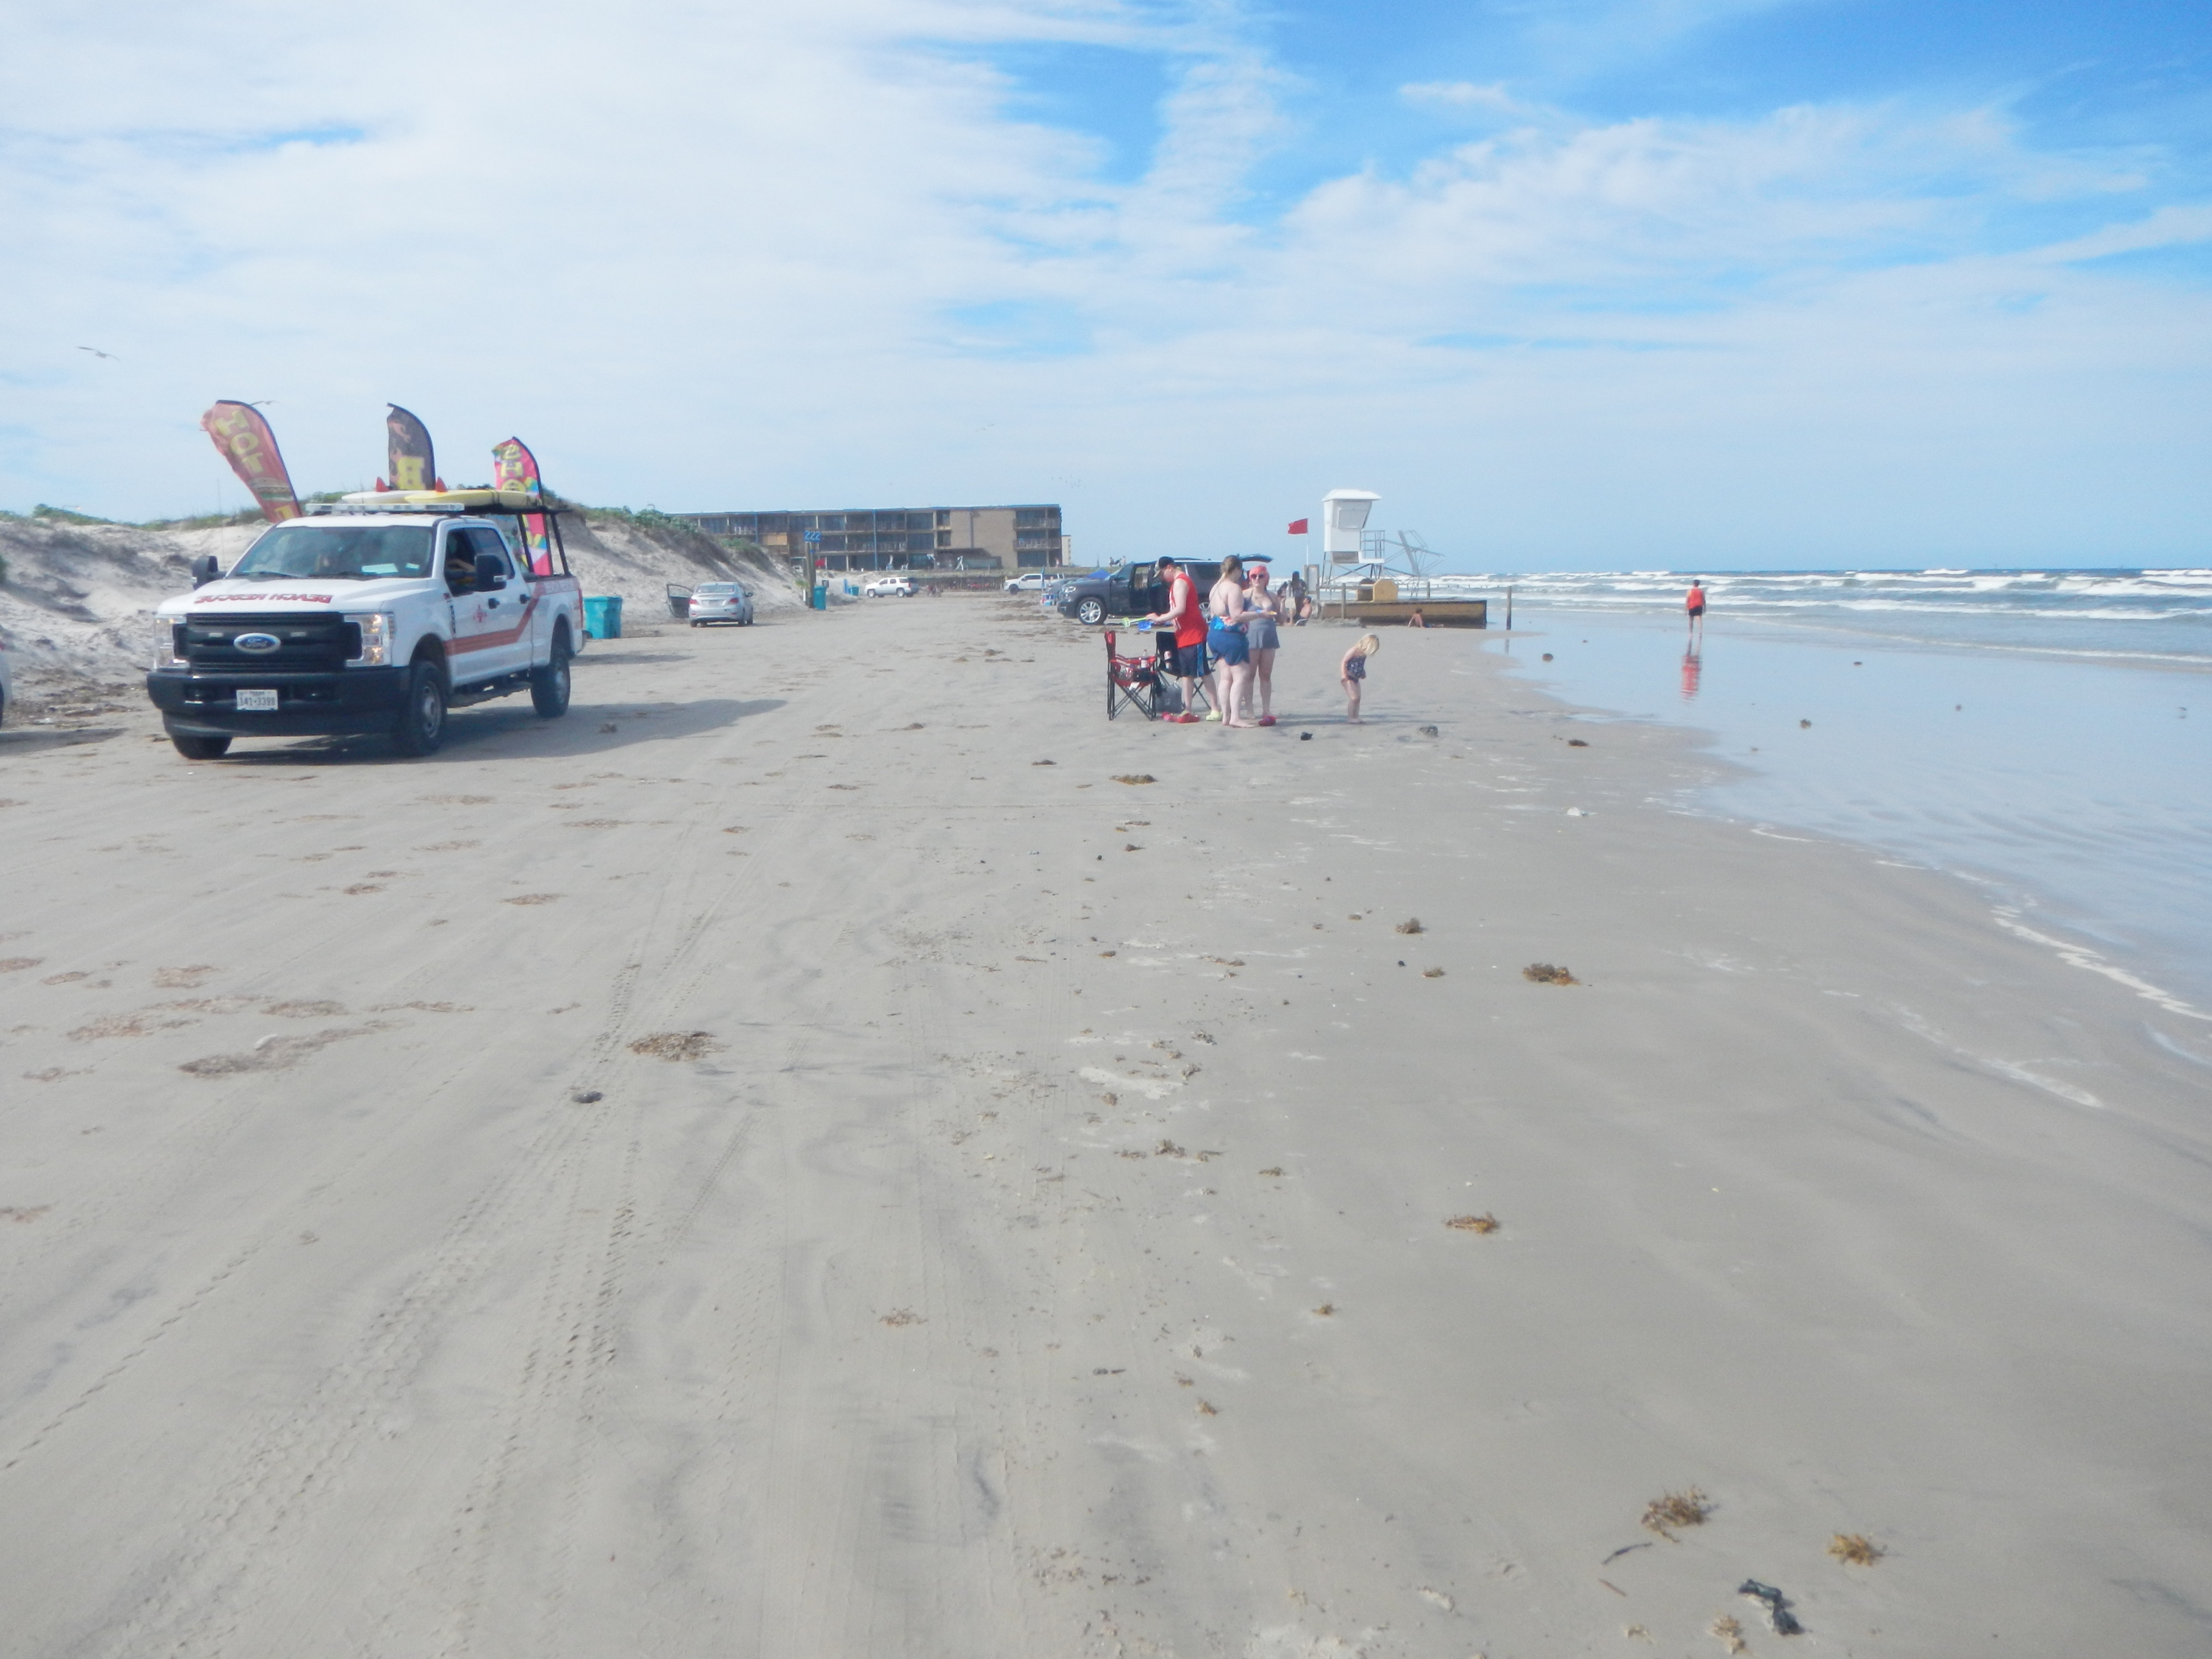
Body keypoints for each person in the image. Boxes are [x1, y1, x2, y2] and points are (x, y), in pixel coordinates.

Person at [1142, 556, 1208, 723]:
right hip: (1184, 634)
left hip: (1194, 633)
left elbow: (1180, 609)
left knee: (1201, 671)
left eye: (1162, 574)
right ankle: (1188, 710)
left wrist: (1160, 618)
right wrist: (1162, 620)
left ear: (1169, 568)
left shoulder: (1180, 582)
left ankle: (1211, 708)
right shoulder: (1176, 583)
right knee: (1189, 672)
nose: (1163, 578)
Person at [1206, 555, 1260, 728]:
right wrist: (1260, 614)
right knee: (1241, 674)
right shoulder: (1233, 588)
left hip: (1214, 634)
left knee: (1226, 677)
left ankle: (1226, 716)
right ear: (1237, 570)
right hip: (1230, 635)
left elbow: (1215, 612)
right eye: (1241, 571)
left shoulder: (1215, 587)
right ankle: (1235, 717)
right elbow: (1237, 616)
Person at [1245, 564, 1286, 726]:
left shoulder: (1272, 596)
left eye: (1261, 576)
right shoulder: (1246, 596)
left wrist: (1282, 603)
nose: (1257, 579)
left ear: (1266, 578)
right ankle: (1249, 709)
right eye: (1254, 576)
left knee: (1266, 674)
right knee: (1249, 675)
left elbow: (1282, 620)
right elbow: (1236, 614)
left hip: (1269, 637)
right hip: (1251, 637)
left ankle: (1266, 709)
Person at [1340, 633, 1380, 723]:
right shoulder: (1354, 651)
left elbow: (1360, 665)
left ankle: (1356, 717)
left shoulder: (1363, 654)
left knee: (1358, 699)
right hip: (1348, 677)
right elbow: (1344, 662)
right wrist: (1343, 674)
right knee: (1354, 698)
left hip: (1356, 678)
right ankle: (1351, 717)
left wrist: (1362, 673)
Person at [1686, 577, 1706, 642]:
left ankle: (1691, 633)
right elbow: (1704, 600)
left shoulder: (1690, 591)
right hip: (1699, 606)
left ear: (1693, 584)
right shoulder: (1701, 591)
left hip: (1692, 606)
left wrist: (1685, 609)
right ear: (1699, 584)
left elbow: (1687, 600)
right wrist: (1705, 607)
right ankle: (1700, 632)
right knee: (1699, 620)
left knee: (1691, 620)